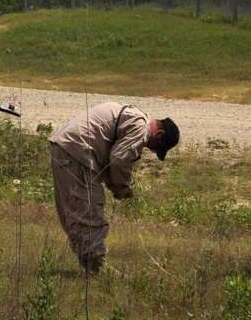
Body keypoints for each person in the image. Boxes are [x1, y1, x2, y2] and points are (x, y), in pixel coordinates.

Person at [49, 103, 180, 274]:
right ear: (159, 134)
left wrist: (115, 185)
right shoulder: (142, 128)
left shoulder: (135, 117)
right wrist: (122, 188)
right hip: (77, 154)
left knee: (76, 211)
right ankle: (97, 270)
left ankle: (90, 266)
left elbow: (110, 160)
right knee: (88, 211)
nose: (150, 148)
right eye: (156, 146)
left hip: (69, 151)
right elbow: (119, 159)